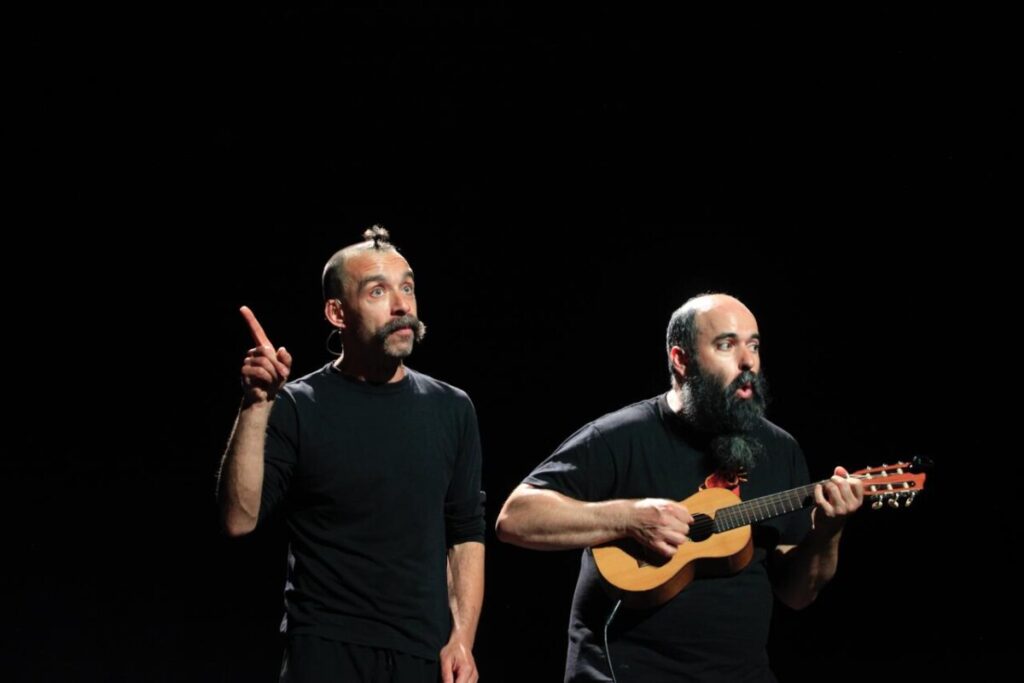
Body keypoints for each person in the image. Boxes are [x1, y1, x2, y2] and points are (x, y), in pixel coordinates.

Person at [495, 293, 863, 682]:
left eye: (754, 345)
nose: (748, 362)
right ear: (681, 359)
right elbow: (516, 517)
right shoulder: (621, 436)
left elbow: (798, 595)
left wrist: (827, 532)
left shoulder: (780, 450)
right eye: (726, 345)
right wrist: (628, 518)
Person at [218, 226, 484, 683]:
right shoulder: (298, 405)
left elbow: (465, 533)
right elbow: (238, 520)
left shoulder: (452, 408)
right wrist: (256, 404)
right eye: (378, 291)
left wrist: (462, 638)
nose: (401, 305)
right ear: (336, 312)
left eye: (407, 288)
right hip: (325, 651)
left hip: (423, 656)